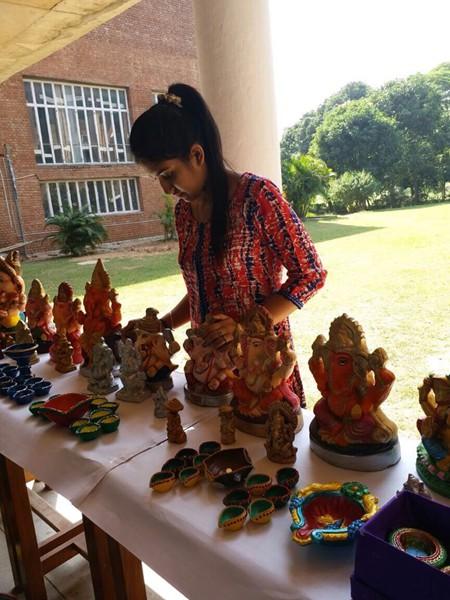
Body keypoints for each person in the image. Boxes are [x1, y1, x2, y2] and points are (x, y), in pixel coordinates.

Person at [129, 83, 326, 405]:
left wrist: (245, 326)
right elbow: (202, 290)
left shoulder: (258, 198)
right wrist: (161, 325)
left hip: (261, 370)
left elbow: (311, 274)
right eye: (158, 178)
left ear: (197, 155)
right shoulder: (184, 213)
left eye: (168, 174)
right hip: (207, 374)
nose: (166, 188)